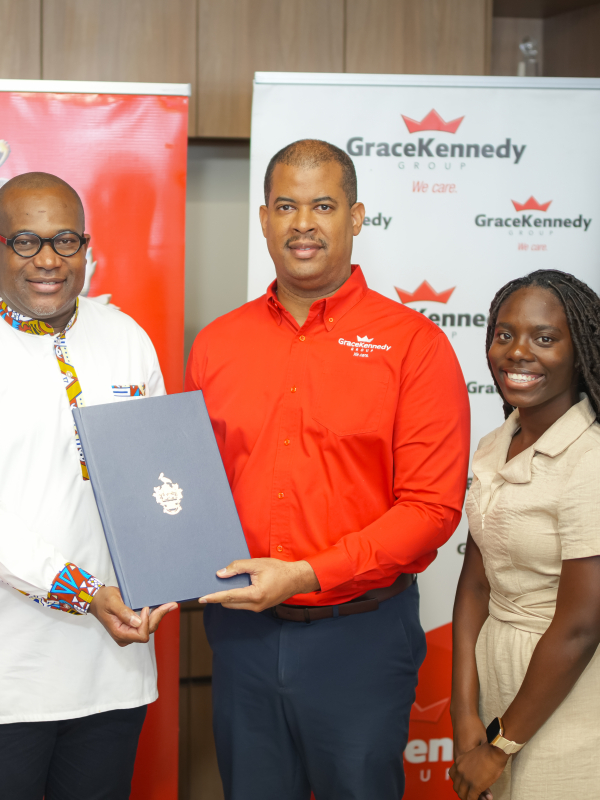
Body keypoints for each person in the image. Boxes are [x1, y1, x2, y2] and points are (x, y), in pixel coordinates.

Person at [186, 139, 471, 798]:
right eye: (286, 206)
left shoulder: (414, 345)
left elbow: (431, 510)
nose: (303, 224)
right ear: (264, 220)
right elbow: (190, 492)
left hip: (359, 640)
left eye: (323, 205)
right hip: (242, 638)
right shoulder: (217, 344)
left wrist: (309, 574)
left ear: (356, 217)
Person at [0, 172, 177, 800]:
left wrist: (172, 571)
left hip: (115, 667)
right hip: (6, 675)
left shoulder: (127, 338)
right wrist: (85, 591)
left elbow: (158, 479)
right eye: (26, 242)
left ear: (86, 247)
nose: (49, 260)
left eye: (66, 241)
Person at [449, 270, 600, 800]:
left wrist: (500, 747)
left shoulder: (596, 462)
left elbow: (579, 629)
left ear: (580, 352)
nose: (518, 352)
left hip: (578, 715)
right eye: (505, 334)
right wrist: (464, 712)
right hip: (500, 691)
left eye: (544, 338)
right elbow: (476, 584)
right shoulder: (495, 444)